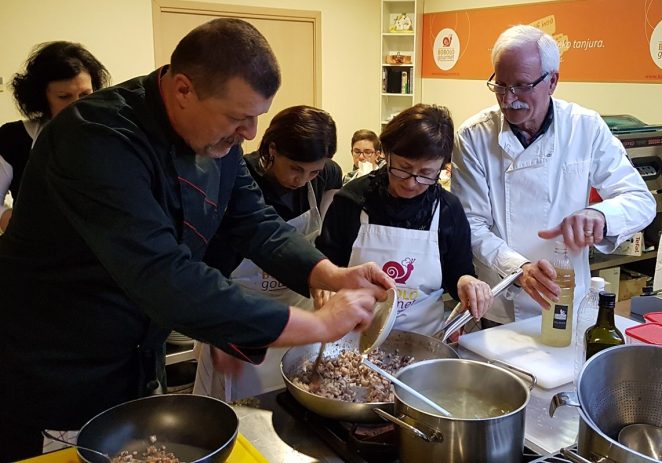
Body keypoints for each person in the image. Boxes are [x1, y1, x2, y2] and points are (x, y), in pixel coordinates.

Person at [0, 18, 392, 462]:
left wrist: (331, 274)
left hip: (135, 354)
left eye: (255, 119)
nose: (249, 134)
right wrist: (319, 325)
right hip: (59, 367)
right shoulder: (93, 138)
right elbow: (163, 274)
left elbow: (254, 222)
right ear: (184, 89)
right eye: (238, 117)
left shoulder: (215, 141)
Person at [452, 24, 655, 326]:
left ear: (552, 81)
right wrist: (518, 268)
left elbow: (641, 201)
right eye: (500, 85)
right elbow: (472, 224)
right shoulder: (474, 136)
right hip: (503, 305)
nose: (508, 99)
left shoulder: (585, 127)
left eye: (521, 85)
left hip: (568, 297)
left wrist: (599, 216)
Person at [194, 104, 342, 400]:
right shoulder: (238, 177)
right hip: (241, 311)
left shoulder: (327, 177)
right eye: (295, 168)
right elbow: (214, 263)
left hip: (297, 312)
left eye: (314, 171)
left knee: (294, 397)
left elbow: (323, 240)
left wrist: (327, 280)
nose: (302, 180)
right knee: (239, 406)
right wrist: (222, 329)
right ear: (273, 149)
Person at [317, 104, 494, 336]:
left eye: (426, 173)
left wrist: (466, 282)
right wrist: (324, 286)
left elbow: (457, 270)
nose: (411, 183)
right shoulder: (352, 200)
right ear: (387, 153)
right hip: (352, 336)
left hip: (422, 339)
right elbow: (326, 262)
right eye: (403, 168)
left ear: (442, 167)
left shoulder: (448, 209)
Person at [0, 41, 110, 233]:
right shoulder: (14, 138)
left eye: (85, 94)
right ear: (42, 97)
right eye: (64, 96)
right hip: (35, 255)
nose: (78, 106)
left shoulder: (109, 135)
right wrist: (8, 219)